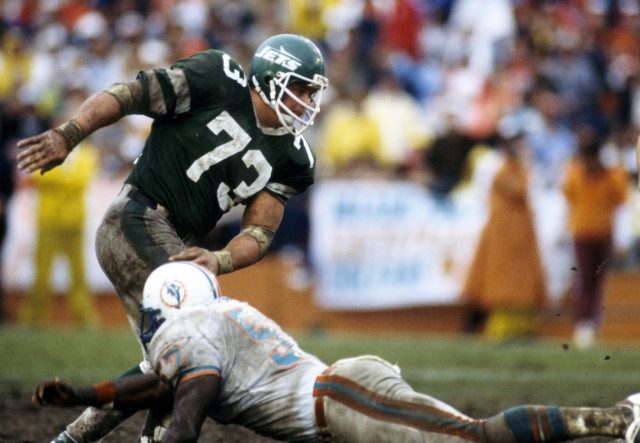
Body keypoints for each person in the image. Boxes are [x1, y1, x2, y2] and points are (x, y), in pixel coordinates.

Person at [16, 33, 329, 442]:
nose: (308, 102)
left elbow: (259, 230)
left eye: (312, 92)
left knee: (176, 359)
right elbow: (129, 95)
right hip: (135, 219)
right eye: (301, 89)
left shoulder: (294, 158)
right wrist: (69, 134)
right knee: (195, 341)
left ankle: (74, 439)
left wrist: (221, 259)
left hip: (176, 246)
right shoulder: (217, 76)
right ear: (272, 78)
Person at [33, 261, 640, 443]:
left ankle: (618, 419)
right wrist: (88, 395)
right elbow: (165, 387)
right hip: (344, 393)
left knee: (474, 438)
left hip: (342, 400)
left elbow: (186, 412)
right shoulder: (213, 318)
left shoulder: (186, 332)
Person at [462, 125, 547, 340]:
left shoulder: (515, 167)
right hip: (504, 233)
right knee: (502, 281)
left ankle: (520, 329)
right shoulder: (498, 166)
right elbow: (518, 190)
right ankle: (497, 328)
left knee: (519, 281)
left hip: (519, 232)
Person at [20, 139, 99, 328]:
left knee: (78, 274)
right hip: (49, 222)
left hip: (73, 223)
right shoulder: (80, 155)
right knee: (41, 273)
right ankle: (33, 319)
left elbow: (81, 179)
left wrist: (55, 178)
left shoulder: (88, 153)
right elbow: (39, 177)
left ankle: (84, 319)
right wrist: (67, 180)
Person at [562, 124, 628, 349]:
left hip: (604, 232)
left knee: (599, 280)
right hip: (582, 232)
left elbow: (621, 200)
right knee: (585, 278)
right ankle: (583, 324)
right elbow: (568, 197)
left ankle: (593, 323)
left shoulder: (611, 175)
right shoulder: (575, 173)